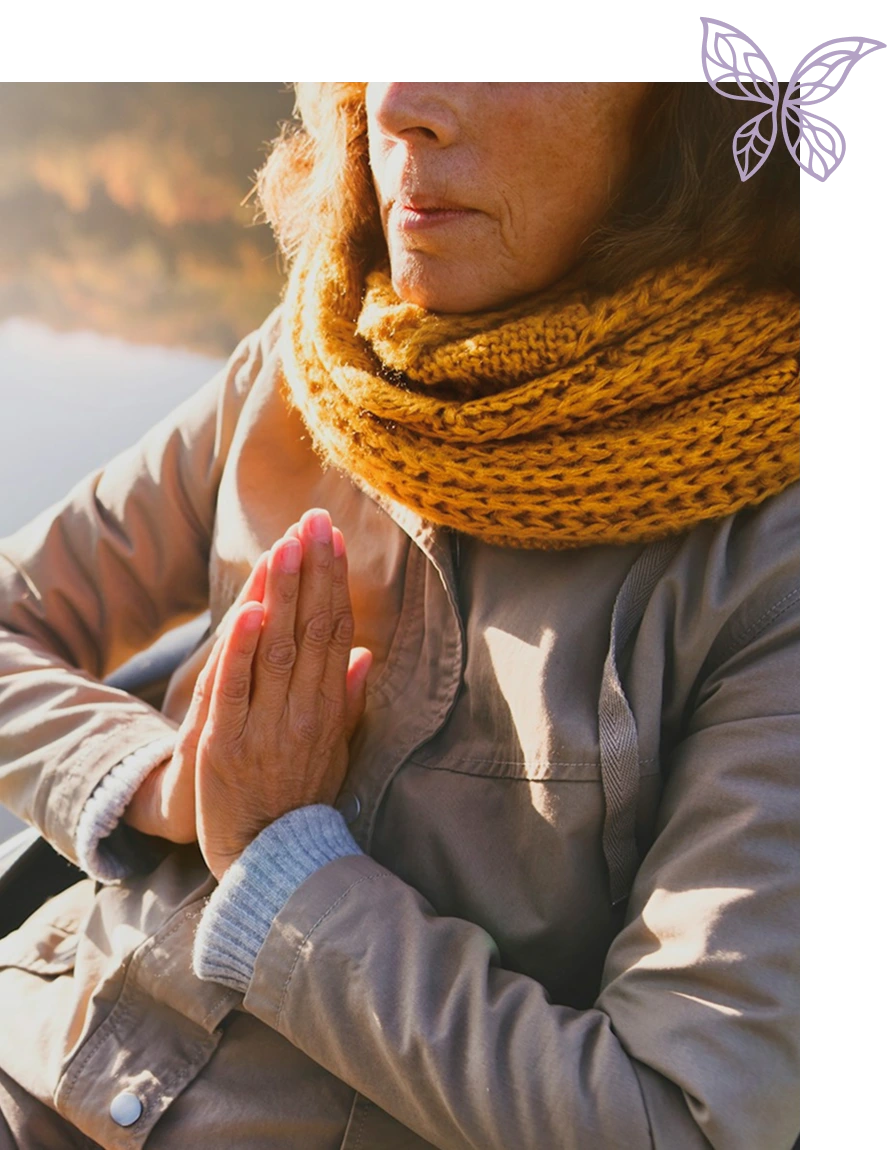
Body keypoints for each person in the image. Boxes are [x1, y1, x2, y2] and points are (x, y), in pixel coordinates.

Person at [0, 81, 799, 1149]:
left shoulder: (769, 564)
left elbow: (684, 1122)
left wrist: (281, 867)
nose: (404, 104)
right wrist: (160, 782)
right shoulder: (313, 356)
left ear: (693, 112)